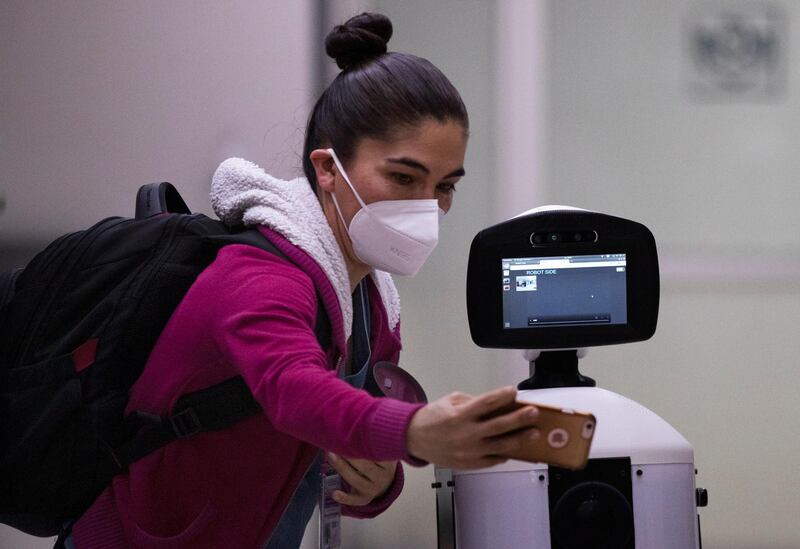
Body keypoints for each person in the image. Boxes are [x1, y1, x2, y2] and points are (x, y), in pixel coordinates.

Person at [68, 12, 540, 549]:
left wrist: (380, 481)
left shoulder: (372, 300)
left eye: (445, 186)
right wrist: (415, 430)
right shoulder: (262, 273)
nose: (427, 206)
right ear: (328, 169)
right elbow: (296, 392)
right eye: (403, 177)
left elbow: (338, 435)